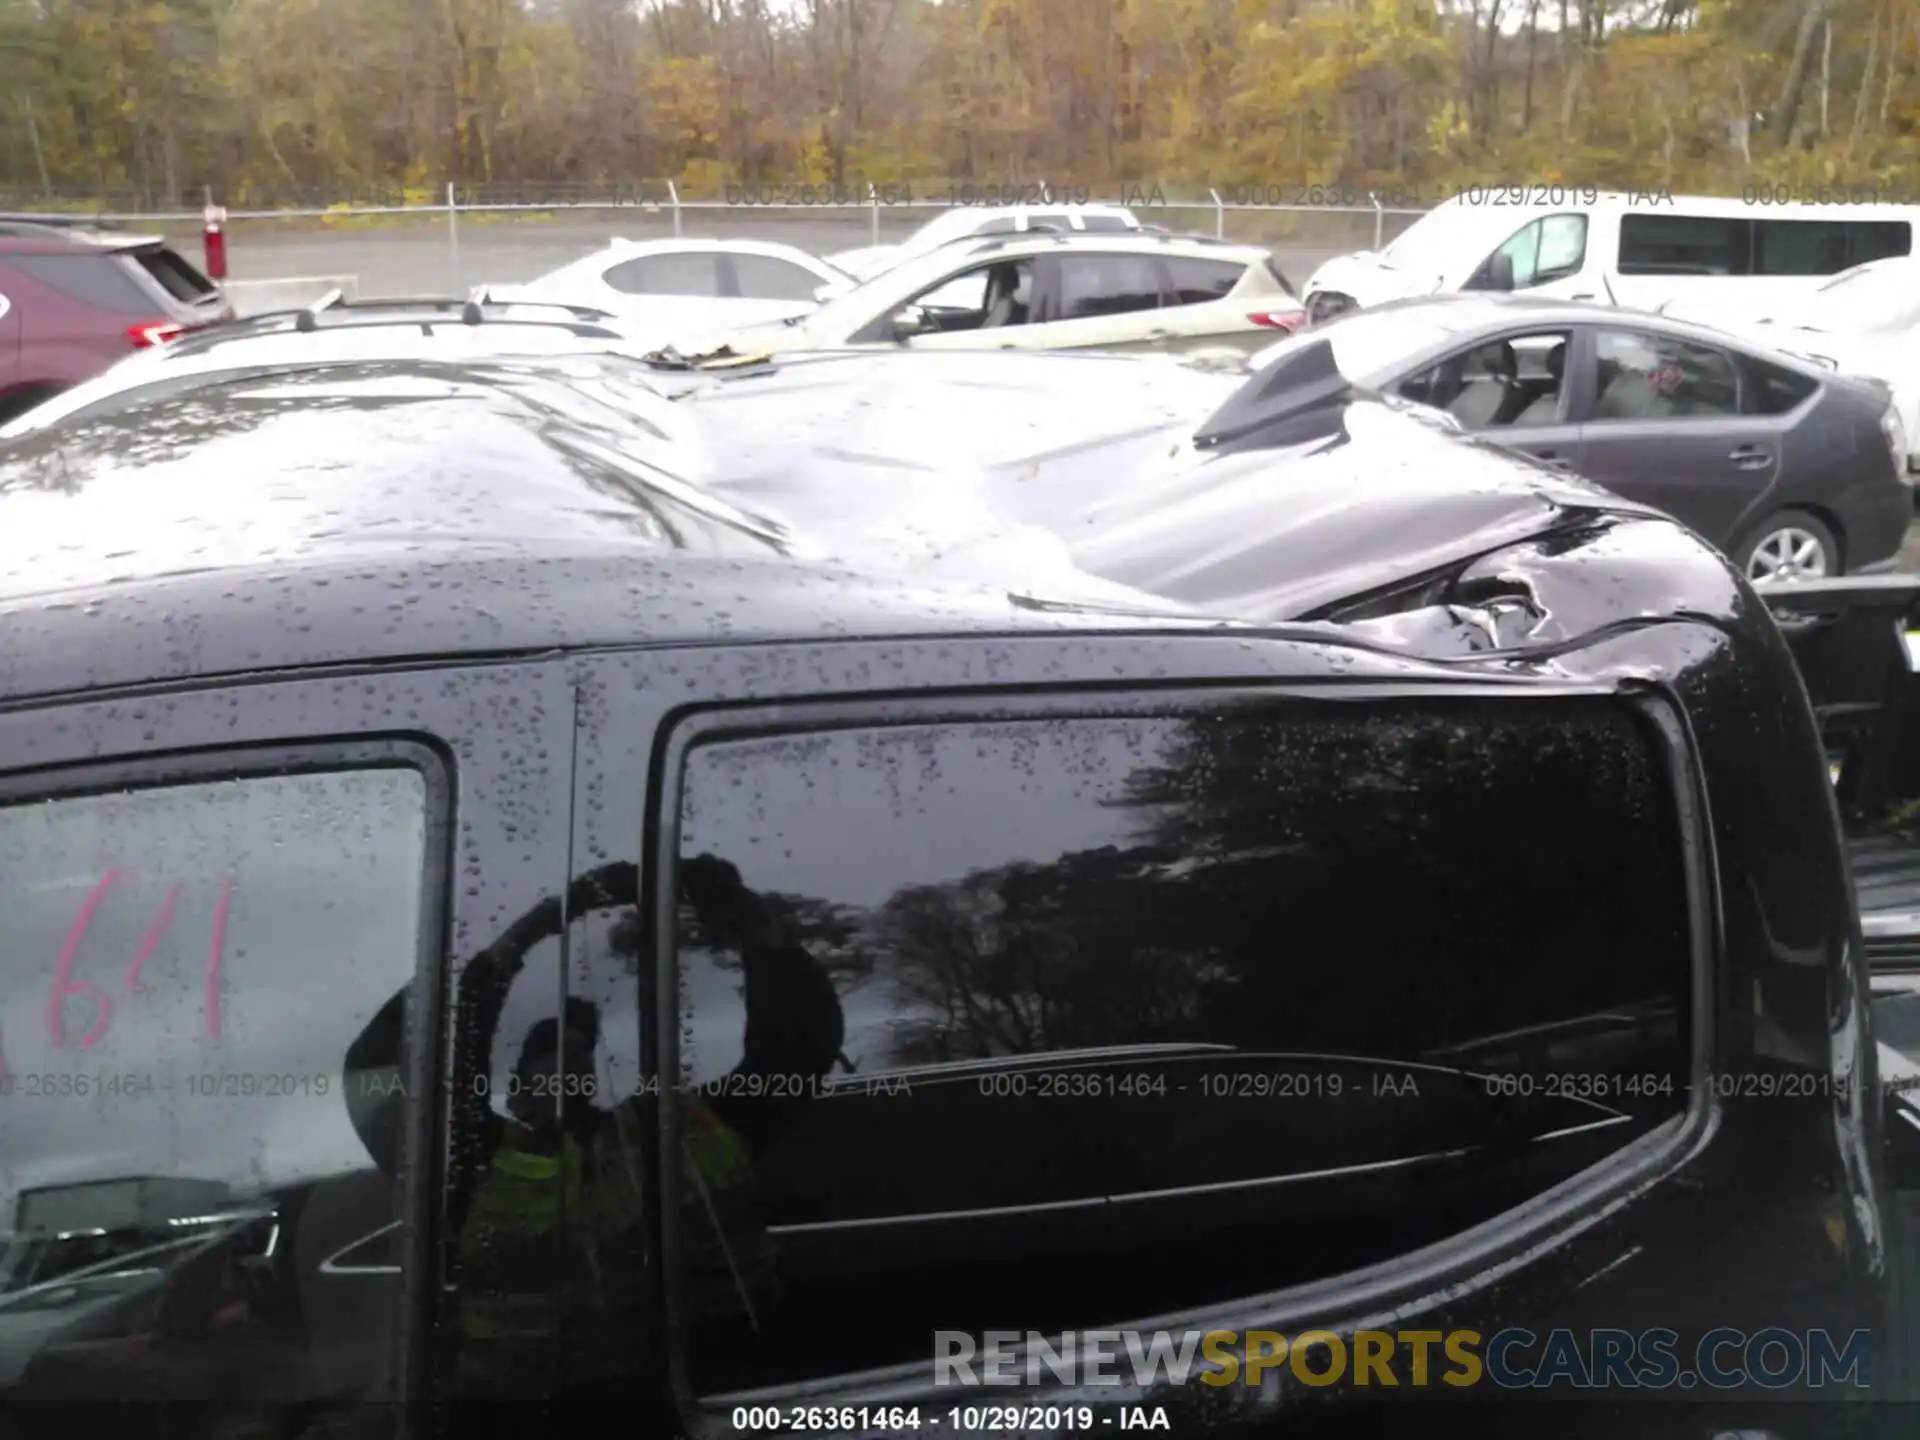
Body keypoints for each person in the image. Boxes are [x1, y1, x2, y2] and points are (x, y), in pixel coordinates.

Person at [340, 854, 846, 1407]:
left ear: (593, 1076)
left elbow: (795, 1046)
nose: (564, 1068)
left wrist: (735, 909)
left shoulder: (684, 1132)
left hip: (717, 1399)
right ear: (513, 1083)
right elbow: (378, 1071)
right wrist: (541, 922)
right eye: (547, 1058)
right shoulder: (469, 1156)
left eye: (577, 1055)